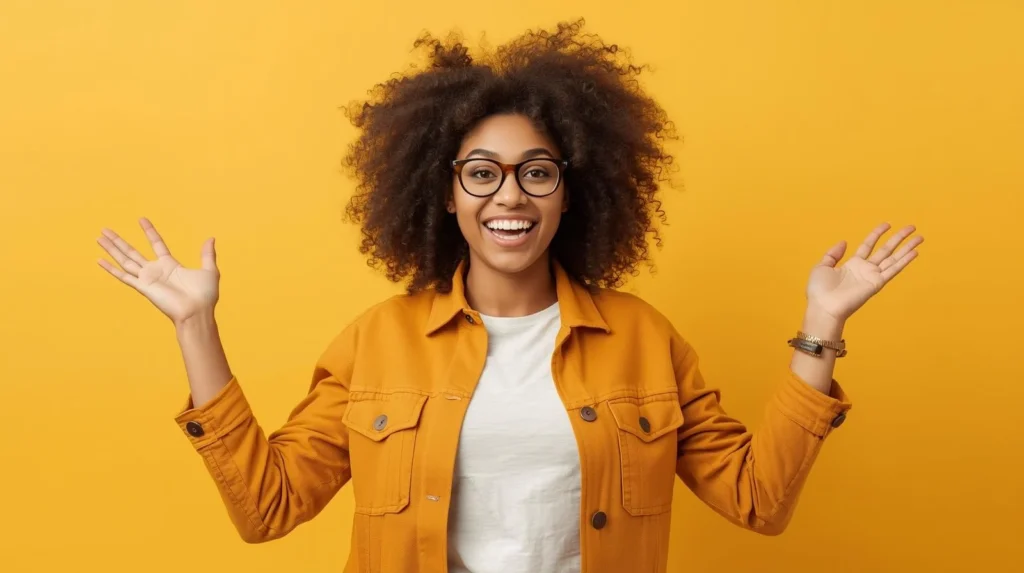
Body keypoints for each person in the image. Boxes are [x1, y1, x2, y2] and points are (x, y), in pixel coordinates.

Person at [95, 20, 922, 573]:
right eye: (482, 174)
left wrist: (822, 325)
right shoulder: (377, 339)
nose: (510, 196)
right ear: (445, 193)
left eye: (537, 172)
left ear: (570, 192)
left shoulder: (644, 337)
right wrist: (195, 326)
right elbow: (267, 509)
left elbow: (758, 500)